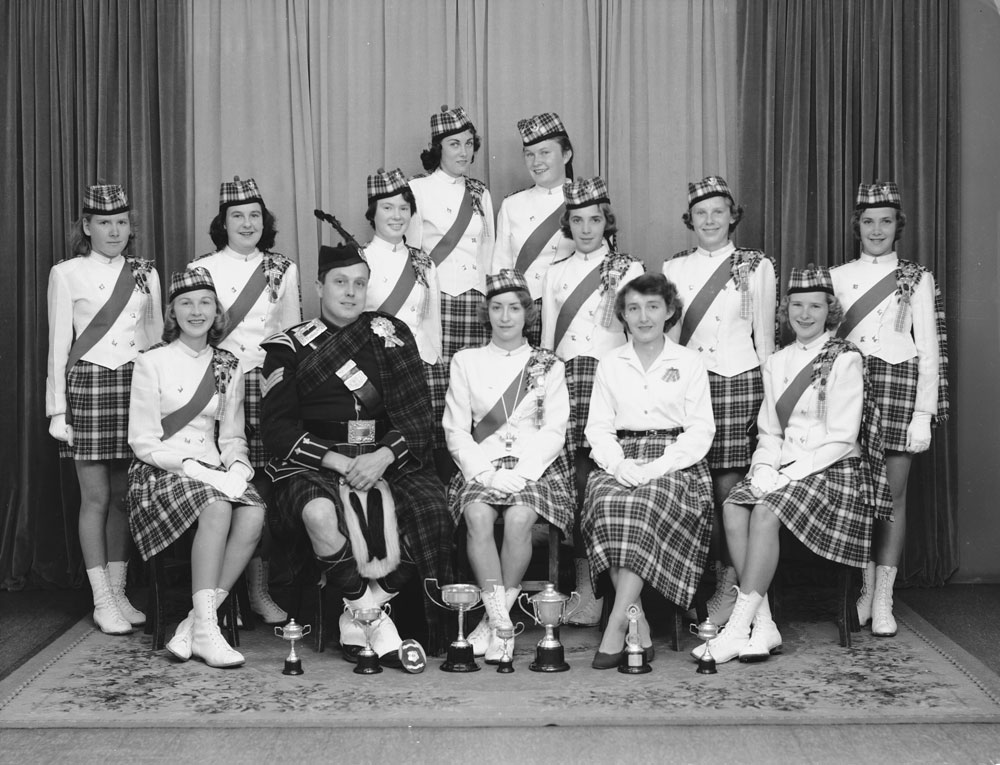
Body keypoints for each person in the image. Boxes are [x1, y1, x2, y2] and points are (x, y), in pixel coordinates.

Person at [259, 243, 453, 669]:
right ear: (319, 287)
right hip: (317, 462)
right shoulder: (286, 348)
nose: (350, 292)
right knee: (319, 514)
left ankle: (359, 617)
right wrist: (341, 463)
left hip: (385, 457)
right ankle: (371, 615)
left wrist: (382, 456)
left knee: (432, 510)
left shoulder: (391, 334)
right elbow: (277, 430)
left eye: (359, 284)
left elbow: (419, 416)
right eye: (340, 282)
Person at [693, 265, 892, 664]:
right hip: (783, 470)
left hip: (834, 471)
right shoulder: (777, 361)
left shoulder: (845, 359)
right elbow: (769, 431)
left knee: (765, 512)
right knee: (733, 505)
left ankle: (738, 628)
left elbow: (843, 437)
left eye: (815, 306)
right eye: (797, 305)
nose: (805, 314)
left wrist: (786, 476)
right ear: (786, 310)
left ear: (830, 311)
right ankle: (763, 624)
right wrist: (764, 468)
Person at [128, 268, 265, 668]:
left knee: (254, 513)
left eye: (205, 302)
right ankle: (208, 628)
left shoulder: (228, 364)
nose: (196, 311)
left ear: (216, 311)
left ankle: (196, 624)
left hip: (213, 469)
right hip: (161, 471)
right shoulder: (151, 361)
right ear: (172, 312)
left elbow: (233, 436)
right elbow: (143, 441)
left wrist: (238, 468)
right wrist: (191, 467)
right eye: (186, 303)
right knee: (217, 506)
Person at [831, 182, 948, 637]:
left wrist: (923, 414)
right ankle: (863, 592)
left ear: (898, 225)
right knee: (860, 494)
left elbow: (929, 351)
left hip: (900, 387)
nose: (876, 229)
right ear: (857, 226)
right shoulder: (837, 276)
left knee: (893, 496)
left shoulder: (916, 277)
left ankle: (884, 597)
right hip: (851, 389)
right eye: (868, 221)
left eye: (885, 221)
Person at [46, 184, 163, 635]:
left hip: (136, 386)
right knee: (94, 497)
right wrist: (57, 410)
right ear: (87, 227)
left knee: (122, 497)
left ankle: (118, 591)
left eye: (121, 222)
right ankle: (101, 600)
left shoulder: (145, 272)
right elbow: (59, 345)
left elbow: (155, 339)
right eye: (104, 223)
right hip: (89, 386)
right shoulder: (66, 273)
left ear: (130, 227)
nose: (114, 231)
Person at [583, 273, 715, 668]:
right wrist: (618, 463)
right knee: (606, 502)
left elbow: (701, 430)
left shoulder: (689, 362)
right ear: (623, 315)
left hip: (676, 461)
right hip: (621, 456)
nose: (644, 317)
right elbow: (598, 428)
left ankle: (616, 626)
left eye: (653, 307)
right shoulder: (611, 363)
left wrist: (659, 466)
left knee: (642, 506)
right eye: (634, 308)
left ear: (669, 311)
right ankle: (635, 620)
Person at [443, 269, 573, 662]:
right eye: (497, 308)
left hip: (534, 467)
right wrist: (485, 473)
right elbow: (455, 428)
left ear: (527, 313)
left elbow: (554, 429)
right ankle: (503, 624)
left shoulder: (548, 364)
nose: (505, 317)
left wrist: (521, 474)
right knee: (477, 515)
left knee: (518, 519)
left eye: (514, 308)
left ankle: (492, 625)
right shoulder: (466, 361)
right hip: (481, 464)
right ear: (486, 312)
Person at [662, 176, 776, 626]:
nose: (709, 220)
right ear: (690, 220)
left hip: (738, 381)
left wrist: (769, 399)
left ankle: (732, 585)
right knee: (694, 485)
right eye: (700, 213)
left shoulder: (756, 265)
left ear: (732, 216)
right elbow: (670, 338)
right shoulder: (674, 267)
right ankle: (696, 579)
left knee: (729, 488)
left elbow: (764, 338)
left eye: (718, 212)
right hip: (690, 382)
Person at [192, 176, 300, 625]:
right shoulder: (202, 267)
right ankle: (223, 595)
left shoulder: (282, 268)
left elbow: (290, 335)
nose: (247, 223)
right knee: (223, 481)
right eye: (237, 215)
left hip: (263, 383)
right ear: (223, 222)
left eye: (255, 215)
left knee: (262, 488)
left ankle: (257, 590)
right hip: (215, 382)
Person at [541, 176, 645, 626]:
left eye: (595, 219)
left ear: (607, 222)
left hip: (611, 380)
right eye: (578, 220)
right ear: (568, 225)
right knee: (578, 484)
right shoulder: (555, 272)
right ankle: (586, 588)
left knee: (610, 482)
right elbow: (548, 343)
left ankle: (616, 588)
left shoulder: (629, 268)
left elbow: (639, 333)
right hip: (568, 381)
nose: (586, 229)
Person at [406, 105, 495, 481]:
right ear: (437, 148)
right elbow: (411, 255)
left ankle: (471, 476)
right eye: (454, 144)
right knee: (436, 392)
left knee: (472, 392)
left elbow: (488, 252)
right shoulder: (417, 189)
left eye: (469, 143)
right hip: (435, 305)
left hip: (474, 305)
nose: (463, 151)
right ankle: (436, 478)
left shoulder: (480, 193)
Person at [361, 168, 444, 448]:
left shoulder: (424, 262)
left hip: (422, 368)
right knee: (376, 446)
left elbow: (432, 324)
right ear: (373, 213)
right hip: (378, 371)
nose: (397, 216)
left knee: (426, 448)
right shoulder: (359, 260)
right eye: (387, 207)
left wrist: (435, 363)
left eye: (404, 208)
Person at [492, 112, 576, 346]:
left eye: (545, 152)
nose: (536, 162)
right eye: (529, 154)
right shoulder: (512, 205)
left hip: (568, 308)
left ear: (566, 154)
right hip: (523, 311)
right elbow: (500, 266)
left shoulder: (586, 202)